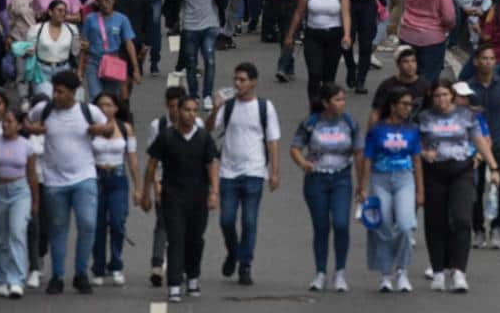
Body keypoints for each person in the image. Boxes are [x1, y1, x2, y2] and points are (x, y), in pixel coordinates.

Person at [416, 79, 497, 292]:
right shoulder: (424, 118)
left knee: (462, 219)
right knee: (436, 222)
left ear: (452, 95)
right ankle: (439, 271)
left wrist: (493, 167)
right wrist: (424, 153)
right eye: (437, 96)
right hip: (434, 172)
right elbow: (415, 145)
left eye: (445, 95)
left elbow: (479, 140)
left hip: (461, 170)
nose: (441, 100)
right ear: (431, 98)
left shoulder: (466, 116)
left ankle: (459, 271)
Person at [28, 70, 102, 294]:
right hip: (54, 181)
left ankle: (81, 273)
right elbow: (25, 123)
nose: (56, 96)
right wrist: (35, 129)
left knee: (88, 223)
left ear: (73, 93)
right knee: (58, 229)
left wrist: (101, 130)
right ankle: (57, 276)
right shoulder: (44, 110)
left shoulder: (89, 112)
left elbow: (110, 127)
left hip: (84, 176)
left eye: (60, 92)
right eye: (54, 91)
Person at [143, 92, 221, 305]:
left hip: (198, 196)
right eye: (186, 110)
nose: (190, 114)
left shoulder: (204, 137)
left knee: (195, 239)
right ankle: (174, 284)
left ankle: (193, 277)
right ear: (178, 111)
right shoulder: (167, 136)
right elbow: (151, 165)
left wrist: (214, 191)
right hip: (173, 196)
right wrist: (146, 192)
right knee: (176, 239)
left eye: (194, 111)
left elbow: (211, 163)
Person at [212, 62, 281, 286]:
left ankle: (245, 265)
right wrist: (215, 108)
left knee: (249, 221)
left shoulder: (264, 107)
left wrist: (274, 172)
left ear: (253, 82)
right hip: (228, 171)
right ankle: (234, 252)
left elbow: (272, 141)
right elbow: (207, 129)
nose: (237, 84)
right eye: (235, 79)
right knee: (226, 220)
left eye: (242, 80)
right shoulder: (228, 106)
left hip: (254, 171)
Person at [291, 82, 360, 291]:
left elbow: (359, 152)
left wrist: (363, 184)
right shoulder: (311, 123)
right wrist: (303, 163)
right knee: (321, 227)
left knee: (340, 224)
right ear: (325, 103)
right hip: (316, 180)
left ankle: (340, 272)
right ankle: (320, 272)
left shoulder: (349, 122)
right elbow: (295, 147)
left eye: (343, 99)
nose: (342, 103)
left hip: (341, 178)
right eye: (337, 100)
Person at [359, 87, 422, 292]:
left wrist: (420, 190)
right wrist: (363, 187)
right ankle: (385, 273)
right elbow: (368, 158)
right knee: (383, 224)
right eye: (404, 104)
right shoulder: (377, 130)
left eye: (410, 105)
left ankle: (402, 271)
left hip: (405, 179)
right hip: (380, 179)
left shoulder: (412, 130)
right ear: (393, 106)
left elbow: (417, 160)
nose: (408, 108)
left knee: (405, 225)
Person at [461, 44, 500, 247]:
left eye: (491, 58)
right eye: (484, 58)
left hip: (499, 141)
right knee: (474, 188)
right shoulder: (467, 88)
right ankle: (478, 229)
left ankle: (496, 226)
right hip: (474, 146)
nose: (487, 62)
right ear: (476, 61)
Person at [0, 91, 39, 299]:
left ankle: (16, 279)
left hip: (19, 192)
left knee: (16, 232)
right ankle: (0, 277)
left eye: (10, 121)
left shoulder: (26, 146)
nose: (5, 125)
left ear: (19, 125)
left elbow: (32, 175)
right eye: (4, 122)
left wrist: (35, 200)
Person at [90, 92, 139, 286]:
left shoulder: (125, 128)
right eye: (101, 105)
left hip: (118, 179)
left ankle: (116, 264)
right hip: (96, 178)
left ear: (116, 108)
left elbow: (132, 159)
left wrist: (138, 188)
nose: (105, 109)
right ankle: (99, 267)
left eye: (109, 105)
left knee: (118, 222)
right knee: (97, 225)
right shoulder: (92, 129)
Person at [287, 0, 351, 107]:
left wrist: (347, 35)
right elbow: (298, 13)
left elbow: (346, 16)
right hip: (313, 35)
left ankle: (328, 106)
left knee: (329, 77)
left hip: (334, 36)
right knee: (315, 74)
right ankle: (314, 106)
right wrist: (290, 35)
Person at [392, 0, 455, 82]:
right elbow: (449, 17)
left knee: (407, 77)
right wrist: (446, 28)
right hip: (433, 37)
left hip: (407, 34)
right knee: (429, 80)